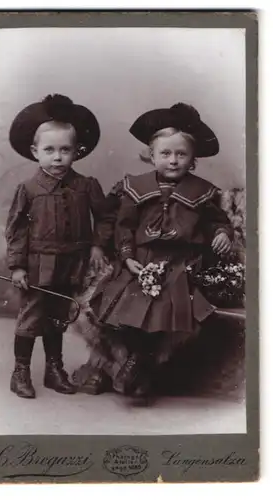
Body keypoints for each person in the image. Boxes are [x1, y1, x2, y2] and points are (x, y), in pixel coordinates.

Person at [81, 102, 234, 397]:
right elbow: (123, 226)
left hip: (180, 264)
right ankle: (126, 364)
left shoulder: (204, 192)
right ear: (151, 155)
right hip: (138, 261)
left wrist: (223, 234)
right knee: (120, 305)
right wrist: (126, 257)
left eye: (181, 154)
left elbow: (219, 222)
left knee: (167, 312)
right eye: (165, 153)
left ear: (193, 160)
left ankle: (142, 367)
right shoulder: (134, 187)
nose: (173, 160)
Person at [5, 94, 109, 399]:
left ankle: (54, 370)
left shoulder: (87, 186)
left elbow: (105, 218)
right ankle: (20, 371)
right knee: (31, 317)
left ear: (77, 151)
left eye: (65, 150)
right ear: (35, 152)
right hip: (38, 267)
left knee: (58, 318)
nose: (58, 157)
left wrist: (98, 246)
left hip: (73, 265)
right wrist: (17, 265)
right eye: (49, 150)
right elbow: (16, 230)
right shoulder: (28, 189)